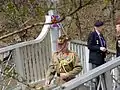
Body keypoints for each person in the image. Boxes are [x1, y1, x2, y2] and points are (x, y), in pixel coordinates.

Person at [87, 20, 107, 90]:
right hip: (95, 60)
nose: (102, 28)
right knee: (96, 78)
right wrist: (99, 48)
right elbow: (90, 46)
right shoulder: (92, 35)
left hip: (101, 59)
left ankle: (101, 88)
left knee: (102, 77)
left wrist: (105, 50)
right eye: (101, 27)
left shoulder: (101, 35)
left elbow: (103, 43)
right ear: (97, 27)